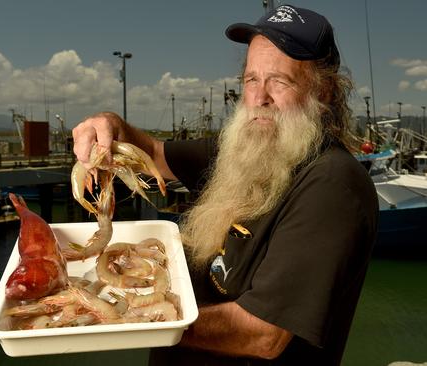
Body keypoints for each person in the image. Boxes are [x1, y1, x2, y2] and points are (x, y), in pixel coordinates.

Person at [72, 4, 378, 365]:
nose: (260, 97)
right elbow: (152, 152)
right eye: (251, 80)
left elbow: (262, 333)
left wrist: (124, 317)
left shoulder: (333, 184)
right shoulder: (247, 151)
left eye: (280, 81)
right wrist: (109, 125)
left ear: (323, 91)